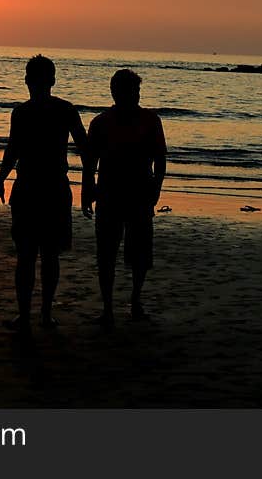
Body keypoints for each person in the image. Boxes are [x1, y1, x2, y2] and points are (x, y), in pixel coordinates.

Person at [0, 55, 87, 336]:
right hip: (49, 189)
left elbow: (13, 150)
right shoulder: (62, 110)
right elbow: (85, 147)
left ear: (28, 80)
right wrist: (0, 179)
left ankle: (30, 315)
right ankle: (43, 314)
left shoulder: (24, 112)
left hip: (36, 188)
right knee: (46, 255)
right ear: (52, 80)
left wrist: (0, 179)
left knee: (29, 255)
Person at [82, 69, 167, 330]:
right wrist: (87, 191)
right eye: (132, 91)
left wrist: (156, 188)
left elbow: (161, 158)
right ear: (116, 93)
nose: (135, 96)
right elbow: (90, 162)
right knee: (106, 253)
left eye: (137, 92)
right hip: (109, 194)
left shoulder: (150, 120)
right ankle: (108, 308)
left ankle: (135, 300)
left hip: (140, 194)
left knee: (139, 254)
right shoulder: (101, 122)